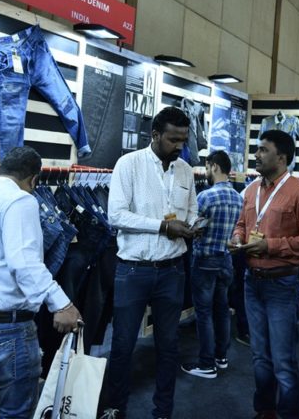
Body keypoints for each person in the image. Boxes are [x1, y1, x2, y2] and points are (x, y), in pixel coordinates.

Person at [0, 146, 81, 418]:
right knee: (16, 412)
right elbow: (24, 262)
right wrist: (62, 304)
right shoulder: (21, 201)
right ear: (34, 180)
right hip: (0, 328)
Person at [101, 107, 198, 419]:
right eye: (173, 139)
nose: (179, 146)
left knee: (169, 346)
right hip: (133, 270)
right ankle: (115, 409)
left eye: (183, 140)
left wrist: (192, 225)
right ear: (155, 135)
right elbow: (116, 215)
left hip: (173, 270)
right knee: (123, 344)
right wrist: (163, 226)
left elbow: (192, 209)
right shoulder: (129, 164)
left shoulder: (185, 170)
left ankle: (163, 411)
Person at [228, 130, 299, 419]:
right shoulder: (251, 190)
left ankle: (289, 414)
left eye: (263, 150)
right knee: (259, 356)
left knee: (283, 360)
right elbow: (242, 224)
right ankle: (265, 411)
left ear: (282, 157)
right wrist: (237, 237)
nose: (256, 154)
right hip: (251, 281)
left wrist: (270, 245)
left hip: (283, 282)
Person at [181, 150, 243, 379]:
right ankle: (221, 357)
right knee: (222, 309)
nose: (206, 172)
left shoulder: (205, 197)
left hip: (205, 260)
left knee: (204, 312)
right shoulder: (239, 198)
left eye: (207, 168)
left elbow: (193, 227)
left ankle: (207, 364)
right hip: (226, 260)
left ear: (214, 166)